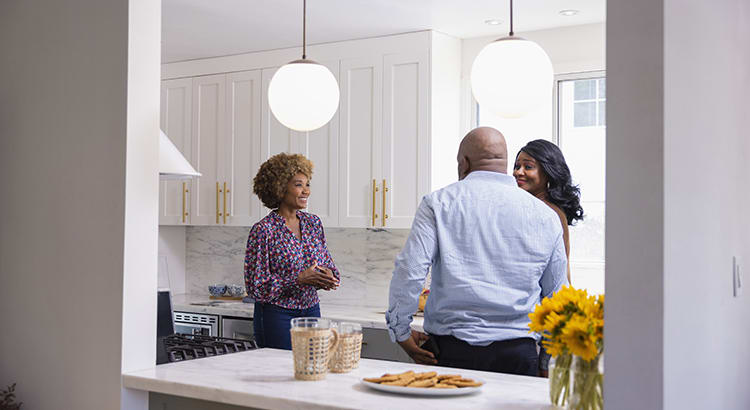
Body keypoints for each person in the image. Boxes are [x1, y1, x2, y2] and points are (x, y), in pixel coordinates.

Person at [386, 127, 568, 377]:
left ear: (464, 163)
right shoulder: (546, 216)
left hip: (451, 352)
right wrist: (546, 358)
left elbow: (410, 270)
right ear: (505, 164)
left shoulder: (438, 203)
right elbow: (557, 294)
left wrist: (401, 332)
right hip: (518, 352)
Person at [244, 153, 340, 350]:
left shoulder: (313, 223)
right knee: (280, 372)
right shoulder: (264, 230)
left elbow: (328, 265)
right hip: (277, 315)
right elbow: (256, 288)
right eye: (299, 185)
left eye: (308, 185)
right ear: (279, 188)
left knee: (312, 369)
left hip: (311, 311)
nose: (306, 191)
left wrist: (329, 275)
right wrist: (298, 279)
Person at [513, 139, 584, 285]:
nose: (518, 172)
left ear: (547, 172)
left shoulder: (548, 212)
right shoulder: (534, 206)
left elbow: (559, 271)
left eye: (528, 167)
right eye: (517, 166)